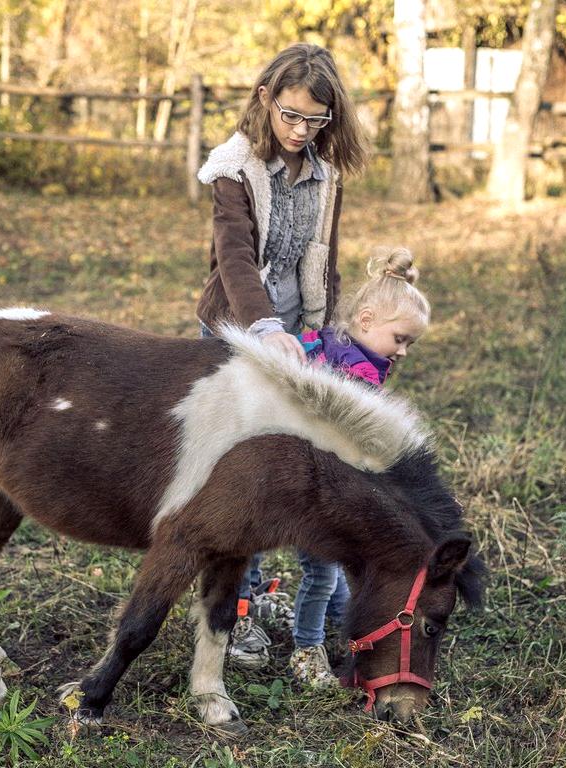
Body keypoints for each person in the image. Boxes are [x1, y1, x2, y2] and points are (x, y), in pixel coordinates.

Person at [196, 42, 368, 670]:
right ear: (266, 97)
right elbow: (235, 258)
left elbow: (325, 257)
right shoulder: (233, 170)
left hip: (299, 340)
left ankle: (259, 589)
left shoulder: (325, 174)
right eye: (290, 115)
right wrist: (265, 327)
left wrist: (327, 336)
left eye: (315, 121)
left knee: (284, 469)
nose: (300, 131)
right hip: (239, 335)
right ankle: (230, 609)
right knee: (237, 476)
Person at [289, 245, 430, 687]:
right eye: (400, 339)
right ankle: (305, 649)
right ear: (367, 320)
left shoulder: (337, 347)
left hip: (316, 480)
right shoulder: (353, 375)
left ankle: (345, 625)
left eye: (410, 343)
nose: (403, 352)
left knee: (336, 567)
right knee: (321, 570)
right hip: (312, 489)